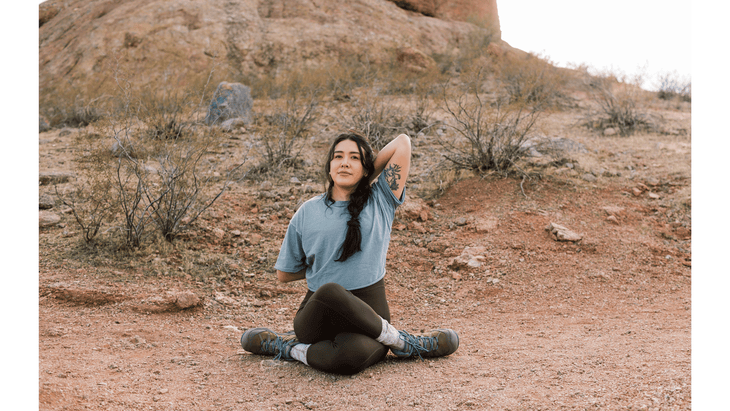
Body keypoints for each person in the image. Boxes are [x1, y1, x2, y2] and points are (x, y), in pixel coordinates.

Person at [240, 132, 459, 375]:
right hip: (318, 315)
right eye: (338, 157)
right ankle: (404, 343)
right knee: (332, 290)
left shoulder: (382, 200)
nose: (344, 162)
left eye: (354, 158)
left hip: (370, 314)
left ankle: (290, 349)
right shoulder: (307, 212)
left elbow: (403, 143)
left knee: (350, 358)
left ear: (367, 168)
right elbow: (284, 274)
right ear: (329, 167)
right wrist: (324, 266)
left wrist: (364, 179)